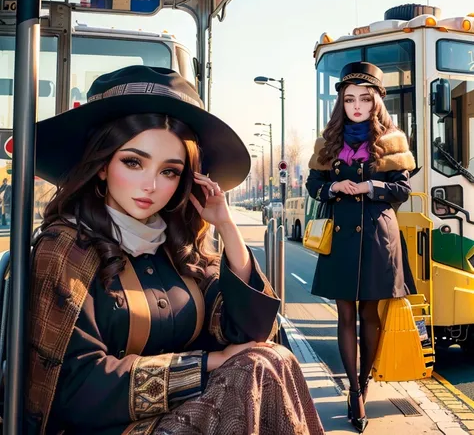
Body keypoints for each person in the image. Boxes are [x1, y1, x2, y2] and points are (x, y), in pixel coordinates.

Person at [27, 65, 324, 435]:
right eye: (133, 162)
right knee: (258, 368)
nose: (150, 185)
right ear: (102, 166)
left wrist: (228, 229)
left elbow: (251, 332)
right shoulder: (65, 246)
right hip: (107, 427)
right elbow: (73, 386)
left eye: (169, 171)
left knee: (270, 359)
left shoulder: (174, 244)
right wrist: (208, 364)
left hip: (191, 415)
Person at [306, 62, 415, 433]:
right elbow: (313, 185)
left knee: (370, 315)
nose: (356, 105)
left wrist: (371, 188)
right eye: (349, 98)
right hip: (340, 238)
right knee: (344, 315)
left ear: (376, 102)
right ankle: (353, 391)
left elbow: (402, 190)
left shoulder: (393, 141)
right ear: (341, 102)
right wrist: (333, 189)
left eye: (364, 99)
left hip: (377, 237)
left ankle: (363, 384)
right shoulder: (328, 141)